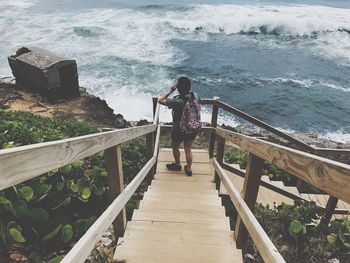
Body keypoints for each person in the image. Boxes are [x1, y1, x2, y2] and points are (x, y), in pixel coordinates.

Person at [158, 76, 201, 176]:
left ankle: (177, 165)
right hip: (192, 128)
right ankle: (189, 169)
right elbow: (200, 103)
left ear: (178, 88)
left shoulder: (177, 101)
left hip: (178, 129)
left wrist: (171, 91)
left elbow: (160, 100)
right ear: (189, 87)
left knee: (175, 147)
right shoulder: (196, 95)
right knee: (188, 149)